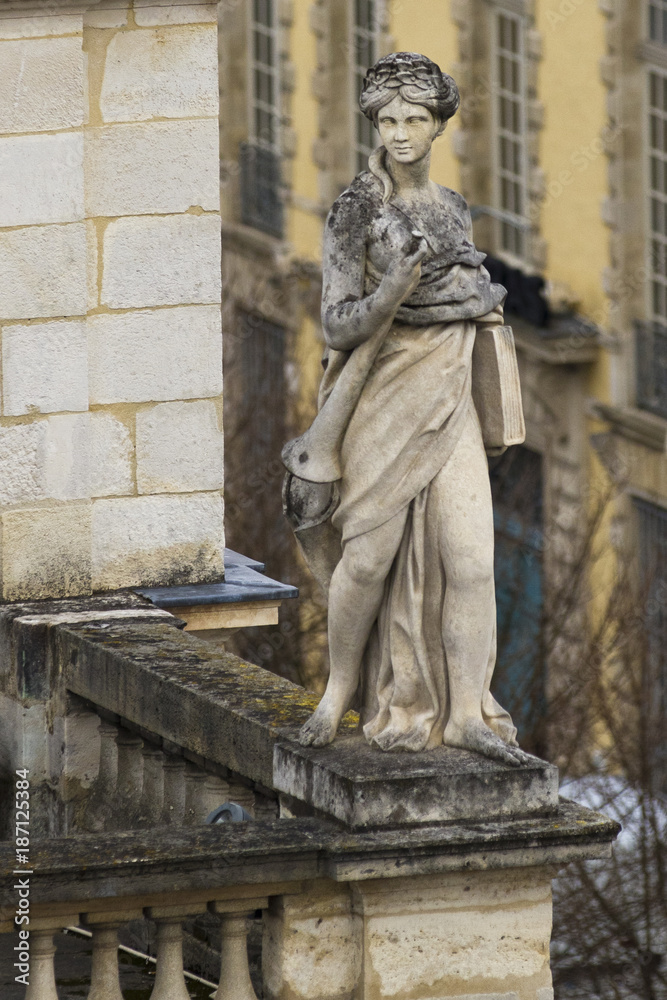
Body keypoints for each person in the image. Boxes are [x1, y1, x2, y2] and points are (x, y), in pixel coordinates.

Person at [283, 52, 530, 765]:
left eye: (413, 119)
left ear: (437, 125)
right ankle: (337, 693)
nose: (398, 133)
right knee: (366, 560)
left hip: (449, 392)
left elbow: (473, 290)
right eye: (387, 119)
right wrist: (393, 287)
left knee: (472, 564)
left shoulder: (450, 206)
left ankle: (465, 715)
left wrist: (477, 302)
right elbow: (336, 323)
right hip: (384, 394)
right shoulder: (358, 208)